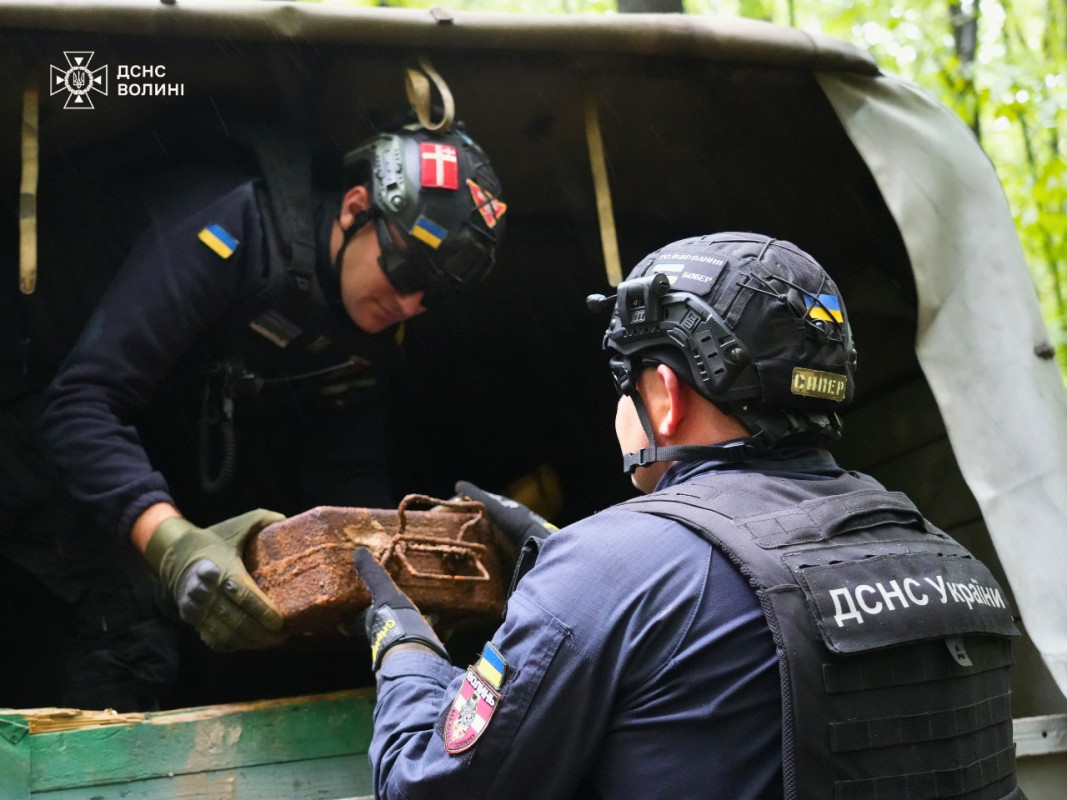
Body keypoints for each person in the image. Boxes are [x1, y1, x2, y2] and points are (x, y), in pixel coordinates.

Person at [351, 232, 1025, 799]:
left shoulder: (610, 569)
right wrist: (575, 564)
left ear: (665, 395)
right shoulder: (949, 559)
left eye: (626, 383)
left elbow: (428, 785)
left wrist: (406, 650)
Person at [0, 120, 506, 710]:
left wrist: (392, 593)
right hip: (30, 419)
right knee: (134, 636)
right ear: (354, 208)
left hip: (135, 439)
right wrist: (175, 546)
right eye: (408, 271)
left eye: (434, 295)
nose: (410, 303)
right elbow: (79, 406)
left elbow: (350, 476)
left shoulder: (369, 328)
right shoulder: (228, 228)